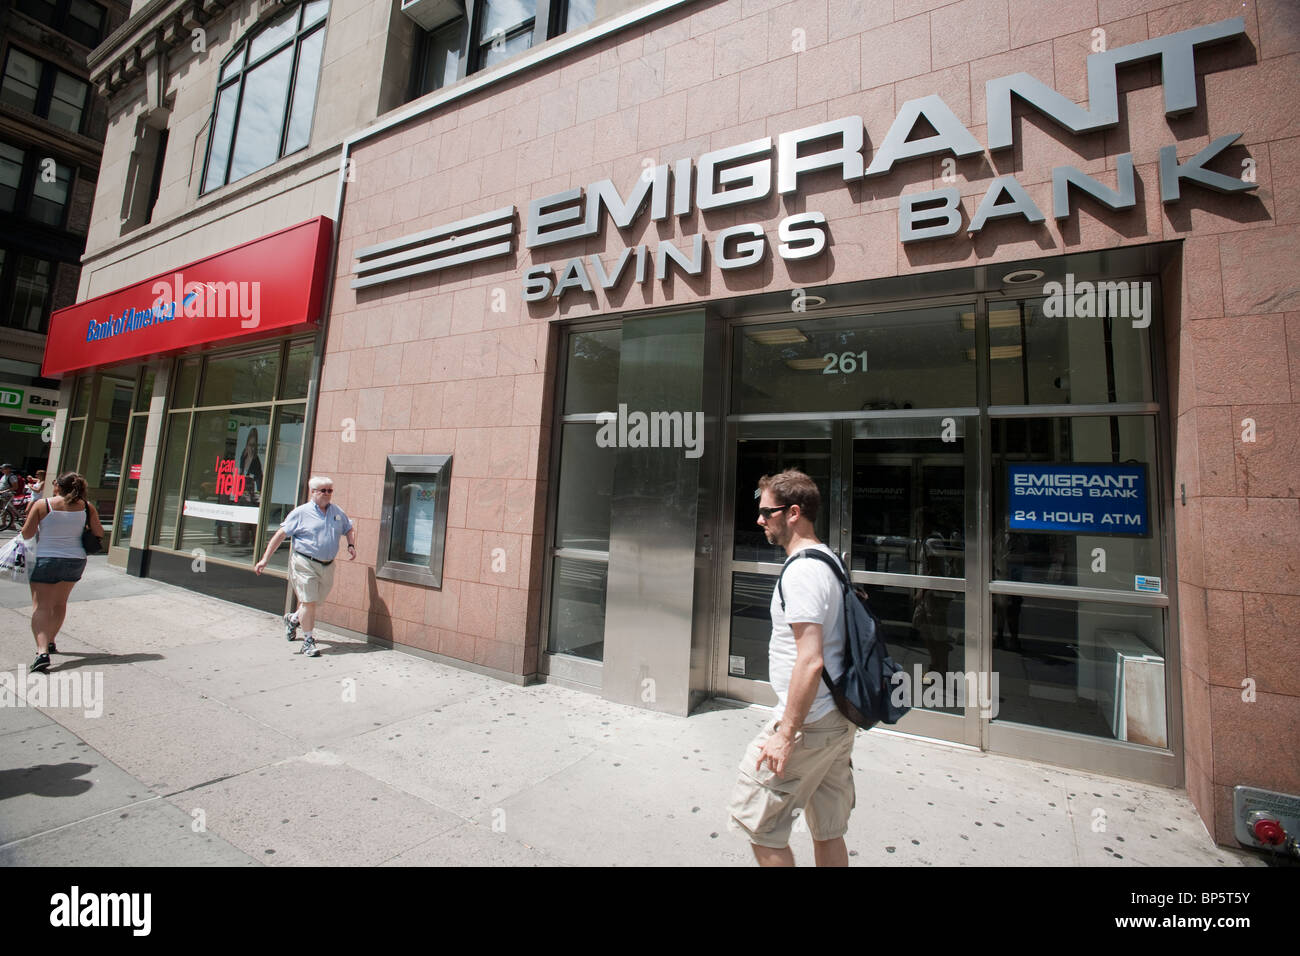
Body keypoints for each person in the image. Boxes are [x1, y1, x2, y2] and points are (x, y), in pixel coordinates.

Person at [726, 469, 855, 866]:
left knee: (760, 826)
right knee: (828, 830)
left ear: (793, 512)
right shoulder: (829, 559)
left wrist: (786, 734)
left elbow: (810, 659)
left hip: (808, 725)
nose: (759, 519)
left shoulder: (801, 571)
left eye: (767, 511)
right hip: (836, 720)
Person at [254, 476, 355, 658]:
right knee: (308, 601)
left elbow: (348, 528)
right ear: (313, 492)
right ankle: (308, 641)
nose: (327, 494)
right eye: (323, 490)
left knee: (314, 602)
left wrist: (351, 545)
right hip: (304, 562)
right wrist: (264, 559)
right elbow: (279, 535)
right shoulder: (300, 513)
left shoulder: (337, 512)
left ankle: (292, 619)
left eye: (330, 490)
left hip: (327, 565)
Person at [20, 472, 103, 674]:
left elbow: (26, 533)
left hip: (45, 558)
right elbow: (99, 533)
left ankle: (41, 652)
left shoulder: (43, 505)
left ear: (58, 486)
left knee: (41, 607)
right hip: (75, 559)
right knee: (59, 603)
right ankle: (50, 641)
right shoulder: (86, 506)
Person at [237, 429, 263, 546]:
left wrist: (258, 495)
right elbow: (239, 474)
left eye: (254, 445)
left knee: (253, 523)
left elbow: (260, 479)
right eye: (250, 444)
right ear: (247, 444)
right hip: (243, 494)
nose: (252, 448)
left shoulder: (256, 460)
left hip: (252, 496)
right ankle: (245, 540)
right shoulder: (243, 457)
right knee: (243, 522)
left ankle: (254, 541)